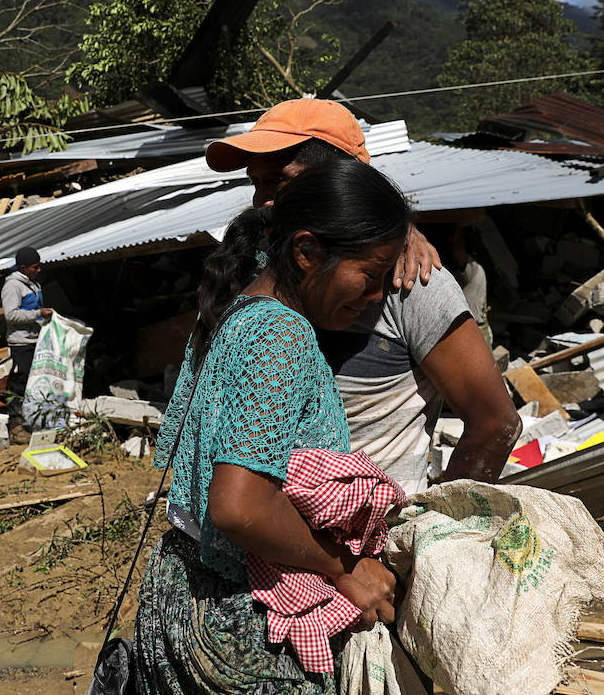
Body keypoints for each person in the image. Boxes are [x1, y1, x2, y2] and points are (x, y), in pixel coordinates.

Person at [135, 159, 412, 693]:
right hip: (241, 622)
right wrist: (342, 569)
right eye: (371, 275)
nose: (376, 296)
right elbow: (240, 509)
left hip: (186, 586)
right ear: (306, 252)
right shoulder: (279, 337)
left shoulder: (240, 307)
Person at [205, 99, 520, 495]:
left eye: (278, 182)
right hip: (269, 540)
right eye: (257, 183)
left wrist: (433, 527)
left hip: (370, 544)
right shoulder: (254, 271)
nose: (261, 202)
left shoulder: (413, 283)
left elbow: (495, 424)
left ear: (341, 180)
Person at [0, 246, 52, 441]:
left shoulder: (33, 284)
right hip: (21, 342)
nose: (38, 270)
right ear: (22, 267)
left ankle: (34, 421)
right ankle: (15, 426)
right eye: (35, 267)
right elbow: (10, 314)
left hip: (36, 340)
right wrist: (38, 314)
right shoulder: (13, 286)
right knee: (20, 382)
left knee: (35, 382)